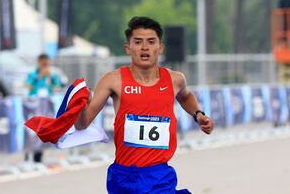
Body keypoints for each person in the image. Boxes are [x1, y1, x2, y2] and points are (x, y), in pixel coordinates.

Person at [75, 17, 214, 193]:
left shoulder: (175, 79)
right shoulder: (113, 80)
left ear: (160, 47)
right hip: (124, 176)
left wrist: (199, 114)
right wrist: (80, 105)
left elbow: (185, 96)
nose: (145, 47)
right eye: (138, 42)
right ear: (128, 48)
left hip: (159, 175)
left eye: (151, 42)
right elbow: (82, 124)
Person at [25, 53, 62, 163]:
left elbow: (57, 87)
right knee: (32, 131)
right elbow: (28, 86)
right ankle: (27, 156)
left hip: (46, 106)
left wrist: (51, 81)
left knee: (43, 130)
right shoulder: (33, 74)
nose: (45, 65)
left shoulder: (52, 75)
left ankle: (38, 157)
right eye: (43, 63)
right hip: (34, 105)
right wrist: (40, 76)